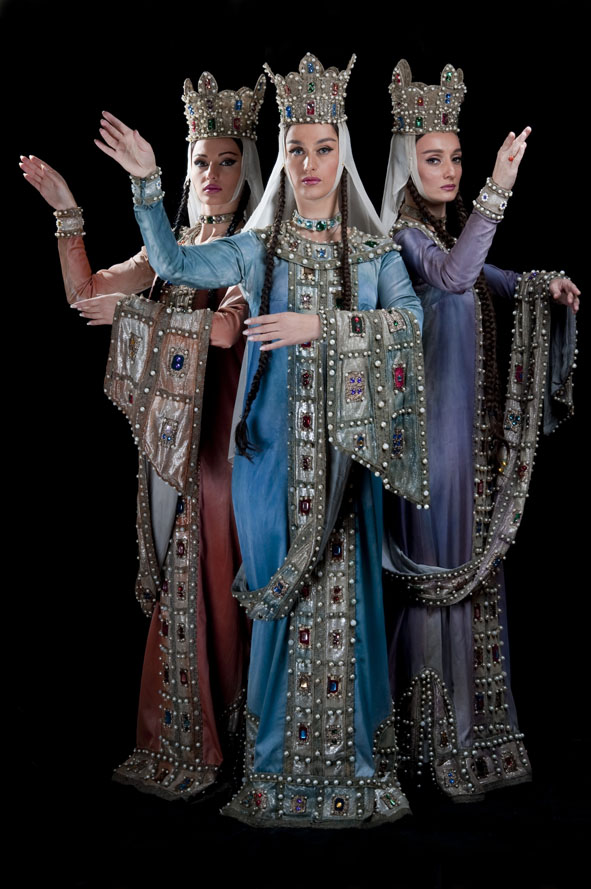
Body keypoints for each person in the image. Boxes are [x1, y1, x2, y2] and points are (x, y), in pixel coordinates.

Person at [95, 52, 430, 827]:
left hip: (346, 466)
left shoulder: (373, 253)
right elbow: (174, 262)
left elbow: (410, 325)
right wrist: (147, 183)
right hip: (267, 466)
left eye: (322, 148)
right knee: (280, 613)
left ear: (341, 153)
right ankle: (275, 769)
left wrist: (322, 326)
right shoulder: (257, 248)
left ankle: (351, 768)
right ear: (280, 156)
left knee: (347, 609)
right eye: (295, 148)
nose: (309, 164)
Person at [20, 70, 267, 800]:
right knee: (180, 577)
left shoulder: (251, 246)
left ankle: (228, 737)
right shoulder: (174, 245)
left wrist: (138, 319)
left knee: (214, 575)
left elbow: (226, 331)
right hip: (170, 443)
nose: (212, 175)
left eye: (227, 161)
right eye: (200, 161)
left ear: (247, 168)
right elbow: (86, 293)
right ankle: (186, 735)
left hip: (223, 444)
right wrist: (67, 211)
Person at [380, 60, 579, 800]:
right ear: (407, 163)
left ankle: (464, 731)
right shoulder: (402, 236)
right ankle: (429, 738)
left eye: (457, 158)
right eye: (434, 158)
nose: (450, 170)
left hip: (466, 436)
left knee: (467, 567)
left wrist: (542, 284)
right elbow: (455, 277)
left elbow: (487, 278)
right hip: (427, 441)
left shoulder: (448, 231)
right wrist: (499, 186)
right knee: (436, 570)